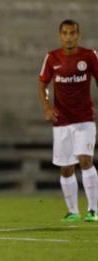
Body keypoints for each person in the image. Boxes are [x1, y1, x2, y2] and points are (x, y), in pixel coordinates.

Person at [38, 19, 98, 222]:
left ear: (78, 35)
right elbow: (42, 84)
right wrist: (47, 106)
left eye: (72, 33)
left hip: (84, 119)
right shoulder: (52, 57)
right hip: (62, 120)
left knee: (85, 159)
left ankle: (93, 210)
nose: (69, 36)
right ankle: (73, 211)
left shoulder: (89, 56)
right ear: (60, 35)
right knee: (66, 167)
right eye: (65, 33)